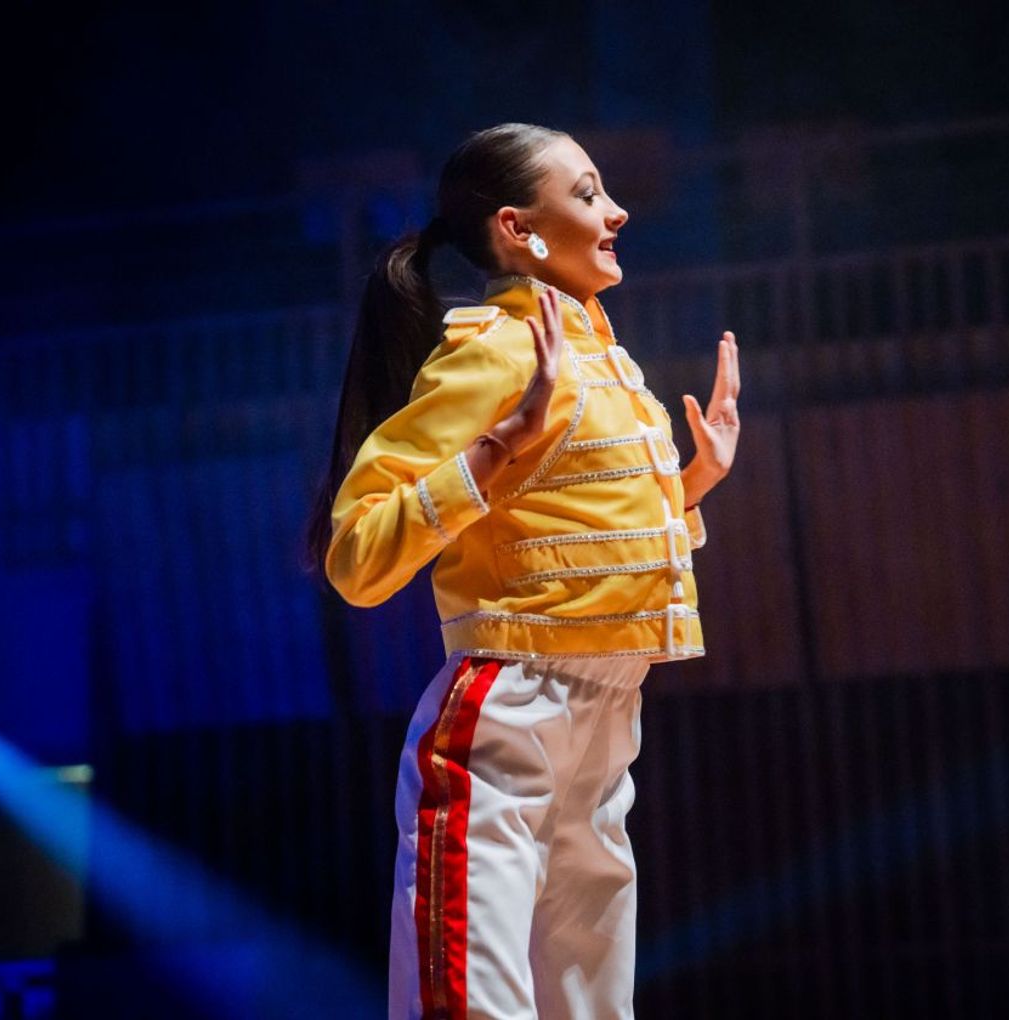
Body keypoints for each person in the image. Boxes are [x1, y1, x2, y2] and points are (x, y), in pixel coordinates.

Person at [302, 122, 740, 1019]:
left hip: (604, 714)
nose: (616, 211)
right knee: (471, 1002)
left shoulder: (602, 358)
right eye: (586, 193)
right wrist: (497, 444)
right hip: (509, 712)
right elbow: (355, 555)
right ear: (519, 229)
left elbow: (570, 528)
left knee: (591, 1006)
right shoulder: (495, 352)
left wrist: (693, 482)